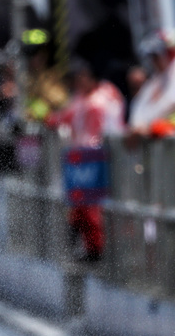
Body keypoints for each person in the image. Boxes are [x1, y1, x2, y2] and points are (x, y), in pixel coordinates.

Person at [48, 58, 125, 261]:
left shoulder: (106, 96)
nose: (77, 81)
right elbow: (63, 117)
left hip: (102, 158)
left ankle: (99, 251)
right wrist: (46, 118)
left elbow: (112, 127)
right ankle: (90, 248)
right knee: (80, 206)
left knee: (93, 208)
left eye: (81, 76)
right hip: (84, 159)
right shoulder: (81, 98)